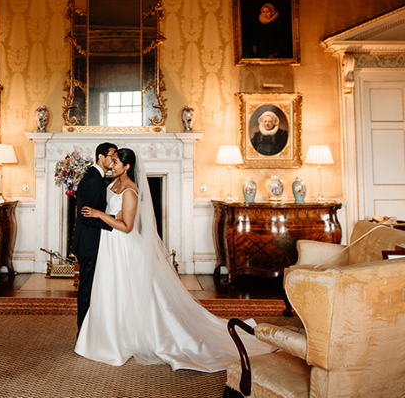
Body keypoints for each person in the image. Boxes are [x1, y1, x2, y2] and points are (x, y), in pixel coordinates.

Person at [75, 148, 273, 372]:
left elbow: (128, 227)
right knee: (112, 290)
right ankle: (108, 336)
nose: (112, 164)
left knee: (128, 290)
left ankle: (129, 338)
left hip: (124, 246)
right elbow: (116, 213)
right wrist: (110, 214)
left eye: (116, 161)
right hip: (110, 246)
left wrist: (101, 215)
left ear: (127, 167)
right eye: (112, 160)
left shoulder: (130, 190)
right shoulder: (112, 183)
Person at [70, 142, 117, 332]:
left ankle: (88, 330)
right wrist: (116, 222)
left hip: (91, 241)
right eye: (111, 156)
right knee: (87, 289)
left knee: (90, 287)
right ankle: (83, 331)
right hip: (89, 244)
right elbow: (86, 216)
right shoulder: (93, 181)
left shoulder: (95, 177)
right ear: (100, 157)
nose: (113, 160)